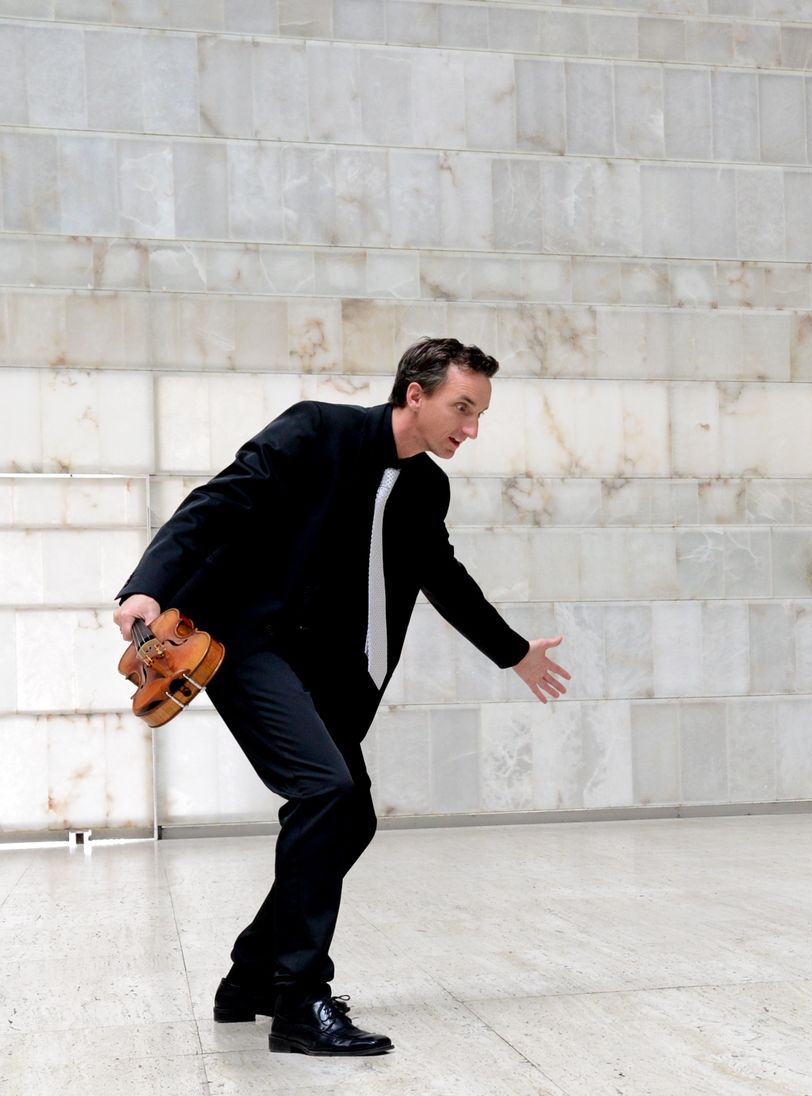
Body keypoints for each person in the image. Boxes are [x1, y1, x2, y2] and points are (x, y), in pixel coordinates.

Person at [112, 338, 570, 1057]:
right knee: (326, 793)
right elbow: (219, 502)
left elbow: (441, 576)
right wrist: (148, 583)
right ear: (414, 394)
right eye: (462, 408)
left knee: (350, 814)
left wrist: (513, 653)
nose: (472, 428)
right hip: (244, 640)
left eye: (480, 414)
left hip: (318, 669)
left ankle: (250, 979)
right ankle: (300, 999)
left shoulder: (426, 488)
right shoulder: (315, 431)